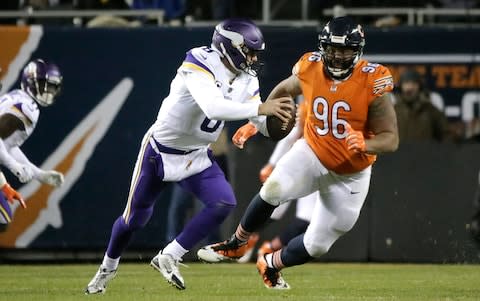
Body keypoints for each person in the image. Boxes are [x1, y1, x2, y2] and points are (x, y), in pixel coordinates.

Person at [85, 18, 294, 294]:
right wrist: (261, 110)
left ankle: (169, 256)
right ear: (230, 47)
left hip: (196, 155)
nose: (254, 58)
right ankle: (107, 268)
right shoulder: (199, 60)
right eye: (249, 50)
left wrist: (284, 122)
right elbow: (214, 108)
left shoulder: (248, 79)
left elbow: (260, 121)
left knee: (223, 202)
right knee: (135, 219)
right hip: (160, 151)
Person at [197, 16, 399, 289]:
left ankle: (271, 264)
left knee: (317, 245)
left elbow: (391, 139)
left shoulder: (372, 80)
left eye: (345, 50)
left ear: (358, 50)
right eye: (333, 49)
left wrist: (365, 144)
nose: (338, 57)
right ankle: (238, 243)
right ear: (323, 48)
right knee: (272, 189)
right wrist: (257, 122)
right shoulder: (310, 66)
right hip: (312, 153)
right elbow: (284, 89)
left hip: (351, 174)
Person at [0, 59, 65, 230]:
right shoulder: (26, 107)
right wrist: (15, 167)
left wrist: (39, 174)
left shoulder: (18, 98)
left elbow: (8, 145)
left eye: (52, 87)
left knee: (2, 218)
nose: (48, 92)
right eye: (45, 85)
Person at [393, 69, 450, 143]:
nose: (410, 87)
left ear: (420, 87)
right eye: (406, 83)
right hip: (399, 154)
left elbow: (446, 136)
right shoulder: (393, 112)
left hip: (426, 153)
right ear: (401, 86)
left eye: (414, 84)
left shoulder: (431, 111)